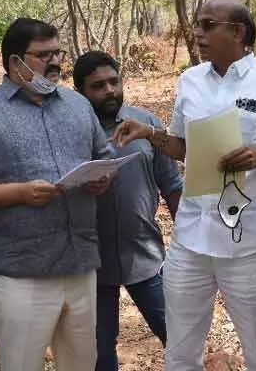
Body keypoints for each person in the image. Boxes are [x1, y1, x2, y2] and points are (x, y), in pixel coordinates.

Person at [114, 0, 256, 371]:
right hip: (192, 239)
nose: (198, 34)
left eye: (208, 25)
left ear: (237, 32)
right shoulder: (190, 81)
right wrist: (149, 133)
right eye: (198, 25)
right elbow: (182, 145)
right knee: (180, 351)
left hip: (248, 245)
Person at [0, 18, 114, 371]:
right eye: (43, 55)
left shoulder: (78, 106)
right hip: (20, 272)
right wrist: (18, 193)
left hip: (80, 264)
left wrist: (102, 179)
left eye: (58, 54)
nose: (55, 63)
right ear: (14, 63)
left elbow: (105, 159)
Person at [73, 51, 183, 371]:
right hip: (92, 262)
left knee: (178, 338)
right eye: (97, 86)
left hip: (146, 255)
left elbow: (172, 185)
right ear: (80, 91)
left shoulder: (147, 124)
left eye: (113, 82)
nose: (109, 90)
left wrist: (187, 241)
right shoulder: (74, 131)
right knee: (100, 354)